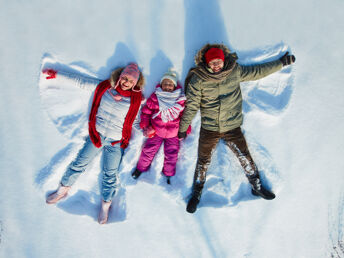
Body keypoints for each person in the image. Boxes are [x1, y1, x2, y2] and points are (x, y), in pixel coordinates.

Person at [178, 43, 296, 213]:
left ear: (223, 60)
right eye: (212, 63)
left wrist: (281, 63)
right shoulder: (199, 79)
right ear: (207, 63)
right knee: (203, 161)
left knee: (244, 155)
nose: (216, 65)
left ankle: (256, 186)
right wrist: (183, 127)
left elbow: (258, 71)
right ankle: (196, 194)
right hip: (209, 128)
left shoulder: (234, 71)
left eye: (218, 61)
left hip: (232, 126)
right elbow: (192, 106)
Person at [45, 63, 145, 224]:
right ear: (120, 77)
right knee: (79, 163)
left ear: (135, 83)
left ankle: (105, 206)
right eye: (125, 78)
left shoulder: (135, 101)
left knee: (110, 174)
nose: (126, 82)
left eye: (130, 81)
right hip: (96, 136)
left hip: (115, 142)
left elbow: (136, 121)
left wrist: (146, 129)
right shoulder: (105, 87)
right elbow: (81, 81)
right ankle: (62, 190)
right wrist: (57, 74)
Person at [131, 69, 189, 184]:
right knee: (148, 151)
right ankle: (140, 168)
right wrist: (145, 125)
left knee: (171, 154)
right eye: (165, 84)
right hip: (156, 131)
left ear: (174, 86)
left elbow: (184, 116)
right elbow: (146, 112)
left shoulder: (180, 100)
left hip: (173, 133)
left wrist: (185, 129)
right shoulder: (155, 97)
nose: (168, 86)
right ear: (161, 85)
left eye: (170, 84)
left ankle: (168, 173)